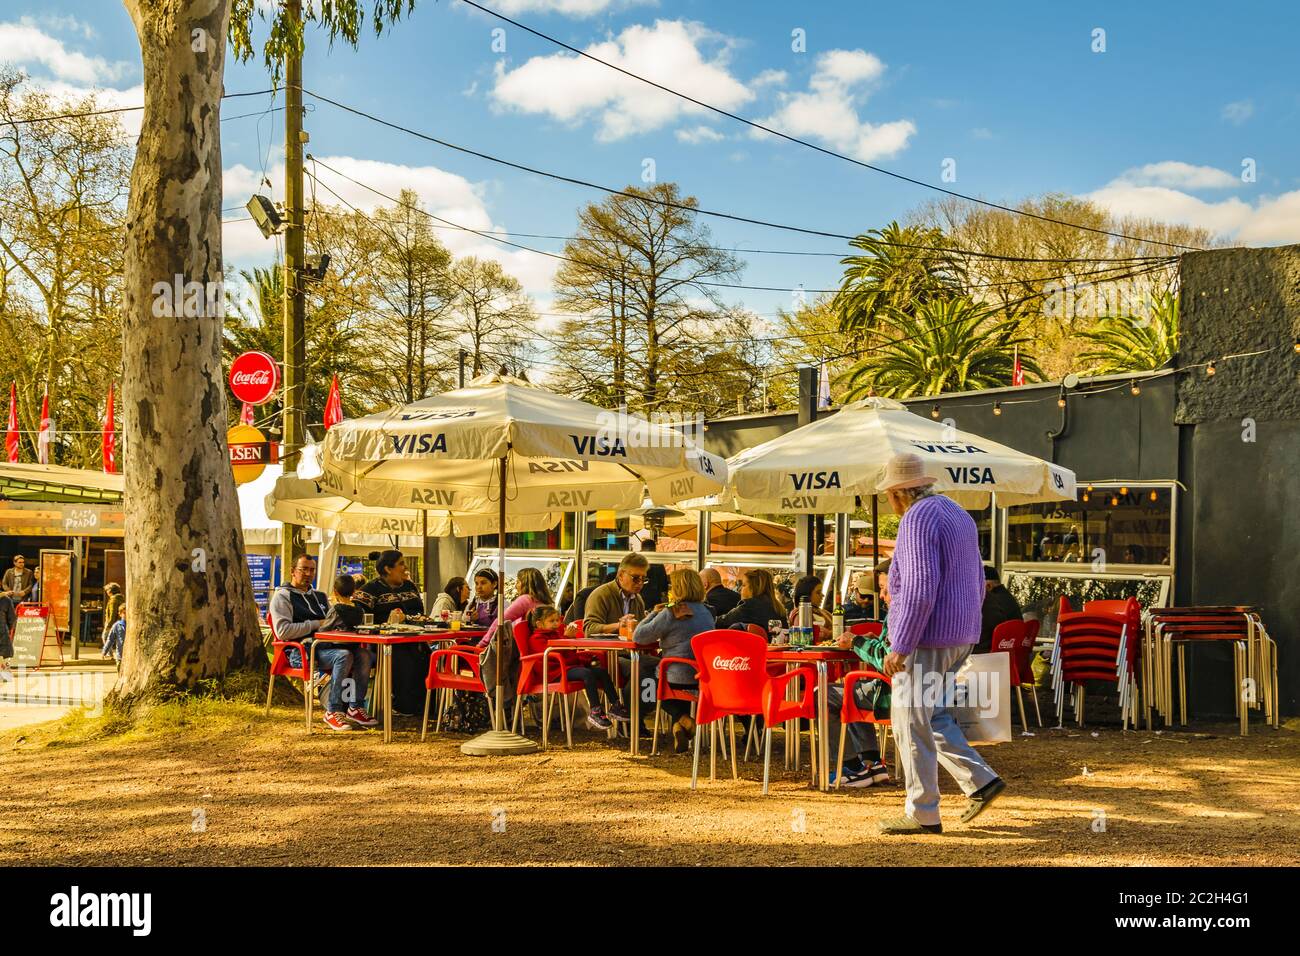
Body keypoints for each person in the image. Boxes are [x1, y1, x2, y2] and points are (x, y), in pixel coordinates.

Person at [878, 453, 1004, 835]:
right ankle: (980, 780)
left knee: (909, 720)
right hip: (961, 633)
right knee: (931, 716)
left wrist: (900, 643)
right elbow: (976, 581)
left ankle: (923, 812)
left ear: (900, 493)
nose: (889, 501)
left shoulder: (916, 518)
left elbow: (918, 588)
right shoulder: (955, 512)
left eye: (889, 494)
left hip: (928, 636)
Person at [271, 554, 378, 731]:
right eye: (303, 569)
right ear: (292, 571)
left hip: (328, 646)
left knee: (364, 654)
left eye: (312, 569)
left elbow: (332, 624)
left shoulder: (320, 596)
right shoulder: (282, 597)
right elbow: (283, 632)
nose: (308, 573)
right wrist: (316, 624)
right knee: (343, 656)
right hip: (300, 652)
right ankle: (333, 711)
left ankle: (355, 707)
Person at [826, 559, 893, 787]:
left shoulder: (900, 615)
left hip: (890, 692)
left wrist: (855, 641)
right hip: (908, 688)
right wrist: (875, 641)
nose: (881, 597)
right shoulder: (915, 611)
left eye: (884, 590)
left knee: (823, 695)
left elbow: (887, 660)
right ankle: (872, 761)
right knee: (852, 689)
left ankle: (852, 767)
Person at [633, 568, 715, 752]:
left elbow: (639, 636)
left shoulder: (673, 611)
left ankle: (684, 720)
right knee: (669, 676)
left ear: (678, 588)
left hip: (677, 675)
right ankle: (678, 727)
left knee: (647, 683)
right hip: (702, 675)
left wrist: (654, 613)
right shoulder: (707, 612)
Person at [522, 604, 629, 730]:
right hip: (554, 673)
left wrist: (586, 660)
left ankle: (615, 705)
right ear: (539, 624)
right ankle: (595, 711)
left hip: (566, 667)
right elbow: (553, 654)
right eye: (552, 621)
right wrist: (567, 638)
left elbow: (570, 654)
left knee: (601, 672)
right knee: (586, 674)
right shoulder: (536, 638)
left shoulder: (556, 634)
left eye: (557, 620)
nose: (557, 623)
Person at [356, 550, 426, 717]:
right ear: (388, 569)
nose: (405, 567)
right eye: (401, 563)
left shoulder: (410, 587)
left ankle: (426, 706)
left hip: (414, 638)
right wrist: (385, 623)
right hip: (382, 645)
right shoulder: (369, 590)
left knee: (428, 657)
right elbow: (359, 620)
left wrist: (408, 619)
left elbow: (421, 613)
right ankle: (403, 705)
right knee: (405, 659)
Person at [477, 567, 552, 649]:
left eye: (518, 582)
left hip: (523, 651)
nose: (516, 586)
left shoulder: (526, 600)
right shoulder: (547, 603)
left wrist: (483, 643)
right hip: (543, 649)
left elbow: (500, 621)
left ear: (526, 583)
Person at [582, 553, 648, 637]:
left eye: (643, 579)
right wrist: (618, 625)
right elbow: (589, 629)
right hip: (605, 649)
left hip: (629, 649)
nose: (640, 583)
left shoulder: (638, 599)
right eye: (635, 578)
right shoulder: (601, 595)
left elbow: (641, 631)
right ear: (620, 575)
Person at [715, 568, 786, 633]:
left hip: (754, 646)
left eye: (743, 585)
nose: (740, 589)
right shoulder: (778, 608)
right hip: (773, 646)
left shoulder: (749, 606)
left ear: (754, 588)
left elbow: (721, 622)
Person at [977, 566, 1024, 654]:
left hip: (991, 654)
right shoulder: (1006, 596)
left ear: (989, 585)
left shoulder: (990, 600)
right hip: (1010, 651)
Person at [101, 583, 124, 653]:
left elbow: (112, 614)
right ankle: (117, 655)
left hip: (112, 623)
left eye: (107, 590)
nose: (106, 592)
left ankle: (109, 654)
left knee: (105, 637)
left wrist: (109, 625)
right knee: (118, 640)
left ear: (110, 591)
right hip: (120, 622)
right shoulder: (121, 598)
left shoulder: (113, 600)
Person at [0, 591, 15, 682]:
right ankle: (6, 675)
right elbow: (12, 619)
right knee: (5, 654)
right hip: (2, 631)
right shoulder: (6, 600)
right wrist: (9, 628)